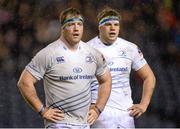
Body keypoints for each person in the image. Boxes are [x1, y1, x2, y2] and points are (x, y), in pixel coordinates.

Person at [17, 7, 112, 129]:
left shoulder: (93, 54)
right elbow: (24, 82)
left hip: (84, 125)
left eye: (79, 24)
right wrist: (43, 110)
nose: (76, 28)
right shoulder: (49, 53)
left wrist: (98, 109)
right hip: (59, 124)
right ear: (62, 28)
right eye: (71, 24)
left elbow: (106, 80)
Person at [87, 8, 156, 128]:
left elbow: (149, 77)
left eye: (116, 24)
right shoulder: (86, 50)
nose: (113, 28)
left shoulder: (130, 48)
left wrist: (144, 104)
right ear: (100, 27)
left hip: (125, 115)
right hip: (99, 114)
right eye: (108, 24)